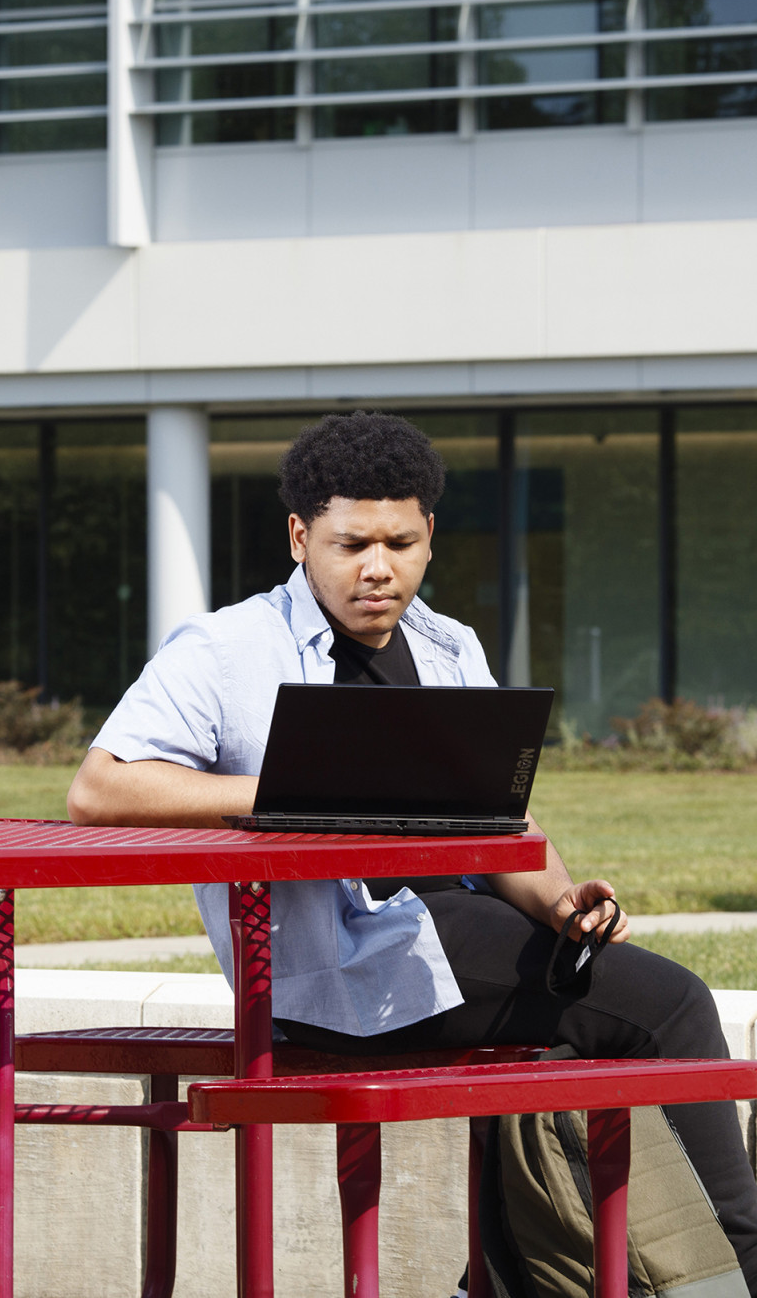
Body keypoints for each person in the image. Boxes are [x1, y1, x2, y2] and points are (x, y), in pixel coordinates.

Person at [68, 410, 757, 1291]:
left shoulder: (448, 645)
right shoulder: (226, 649)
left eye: (400, 541)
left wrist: (560, 905)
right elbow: (102, 786)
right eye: (352, 542)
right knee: (667, 1008)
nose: (377, 567)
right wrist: (296, 793)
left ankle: (513, 1277)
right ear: (300, 536)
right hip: (332, 971)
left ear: (430, 534)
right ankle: (741, 1266)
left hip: (456, 946)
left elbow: (496, 822)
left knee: (587, 1041)